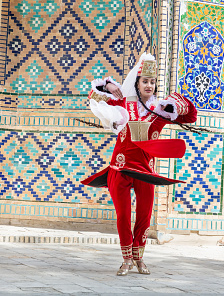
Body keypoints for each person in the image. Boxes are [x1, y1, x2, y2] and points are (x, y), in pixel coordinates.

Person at [81, 53, 201, 276]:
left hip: (146, 171)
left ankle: (139, 257)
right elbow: (92, 98)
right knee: (124, 216)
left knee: (144, 216)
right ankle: (126, 258)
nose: (149, 85)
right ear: (136, 84)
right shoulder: (124, 103)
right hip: (120, 168)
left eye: (152, 82)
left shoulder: (160, 110)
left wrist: (175, 107)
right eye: (144, 81)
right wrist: (107, 85)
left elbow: (191, 116)